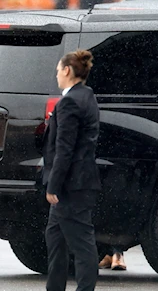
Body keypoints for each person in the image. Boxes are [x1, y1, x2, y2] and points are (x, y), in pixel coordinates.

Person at [43, 49, 101, 291]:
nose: (56, 74)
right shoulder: (87, 95)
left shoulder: (69, 101)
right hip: (81, 181)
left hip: (71, 186)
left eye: (58, 70)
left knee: (82, 245)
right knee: (55, 239)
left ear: (67, 70)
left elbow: (64, 149)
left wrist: (53, 185)